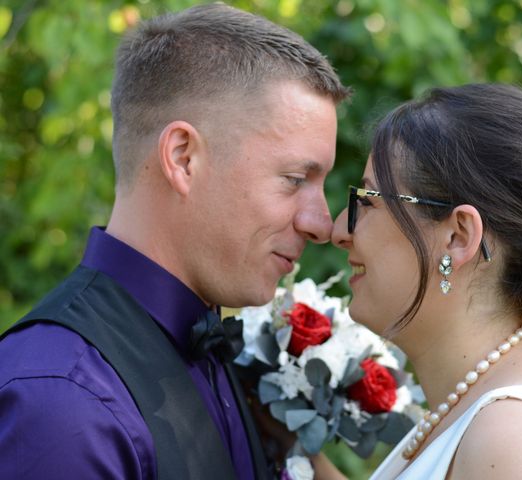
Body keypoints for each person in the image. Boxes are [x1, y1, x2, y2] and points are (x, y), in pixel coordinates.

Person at [0, 4, 350, 479]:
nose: (322, 224)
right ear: (183, 158)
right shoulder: (63, 401)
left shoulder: (224, 356)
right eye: (293, 179)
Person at [331, 84, 522, 479]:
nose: (339, 229)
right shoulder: (501, 400)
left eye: (369, 201)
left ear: (458, 236)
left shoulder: (520, 438)